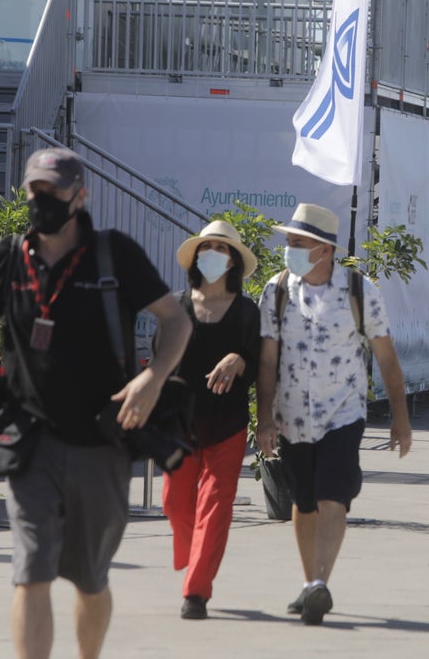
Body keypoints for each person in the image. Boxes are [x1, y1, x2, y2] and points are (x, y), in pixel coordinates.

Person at [0, 147, 191, 659]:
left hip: (100, 441)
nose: (41, 201)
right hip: (28, 439)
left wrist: (152, 380)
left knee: (89, 579)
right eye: (34, 190)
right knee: (31, 571)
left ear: (79, 195)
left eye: (53, 191)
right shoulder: (7, 256)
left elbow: (177, 320)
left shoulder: (114, 254)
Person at [255, 203, 413, 626]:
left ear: (324, 250)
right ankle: (311, 585)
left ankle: (321, 581)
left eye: (298, 243)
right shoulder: (276, 290)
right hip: (291, 415)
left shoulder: (359, 291)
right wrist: (264, 418)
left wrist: (400, 417)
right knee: (303, 501)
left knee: (333, 496)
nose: (289, 250)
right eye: (289, 242)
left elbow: (386, 356)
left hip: (343, 412)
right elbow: (267, 360)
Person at [161, 220, 261, 619]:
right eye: (206, 249)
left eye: (221, 250)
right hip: (179, 425)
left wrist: (239, 360)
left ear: (233, 261)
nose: (212, 256)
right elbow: (160, 364)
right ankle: (194, 555)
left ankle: (196, 592)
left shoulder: (246, 311)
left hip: (227, 425)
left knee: (215, 507)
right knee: (174, 504)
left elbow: (258, 364)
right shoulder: (177, 306)